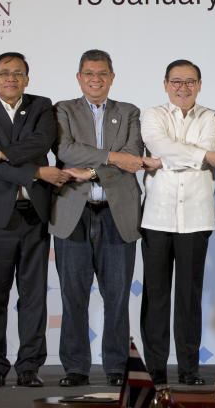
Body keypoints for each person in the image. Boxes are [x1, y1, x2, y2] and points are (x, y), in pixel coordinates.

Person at [140, 59, 215, 386]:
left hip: (196, 218)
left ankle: (189, 368)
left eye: (190, 82)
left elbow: (202, 148)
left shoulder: (212, 117)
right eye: (176, 81)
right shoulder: (151, 115)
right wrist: (204, 158)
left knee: (189, 297)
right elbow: (160, 146)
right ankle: (155, 369)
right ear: (165, 84)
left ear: (199, 85)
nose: (183, 87)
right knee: (155, 297)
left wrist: (174, 158)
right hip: (157, 217)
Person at [0, 52, 68, 388]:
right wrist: (37, 170)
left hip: (33, 214)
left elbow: (40, 142)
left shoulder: (42, 106)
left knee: (34, 294)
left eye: (18, 73)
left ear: (27, 78)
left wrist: (0, 151)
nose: (11, 78)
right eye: (4, 73)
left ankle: (29, 366)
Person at [50, 49, 149, 387]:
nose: (96, 78)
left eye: (102, 73)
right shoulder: (63, 109)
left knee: (117, 296)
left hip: (117, 213)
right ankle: (75, 367)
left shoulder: (130, 111)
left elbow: (134, 157)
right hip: (73, 214)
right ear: (79, 77)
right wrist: (112, 158)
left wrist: (91, 168)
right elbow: (65, 151)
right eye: (89, 73)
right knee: (72, 296)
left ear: (112, 77)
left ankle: (117, 366)